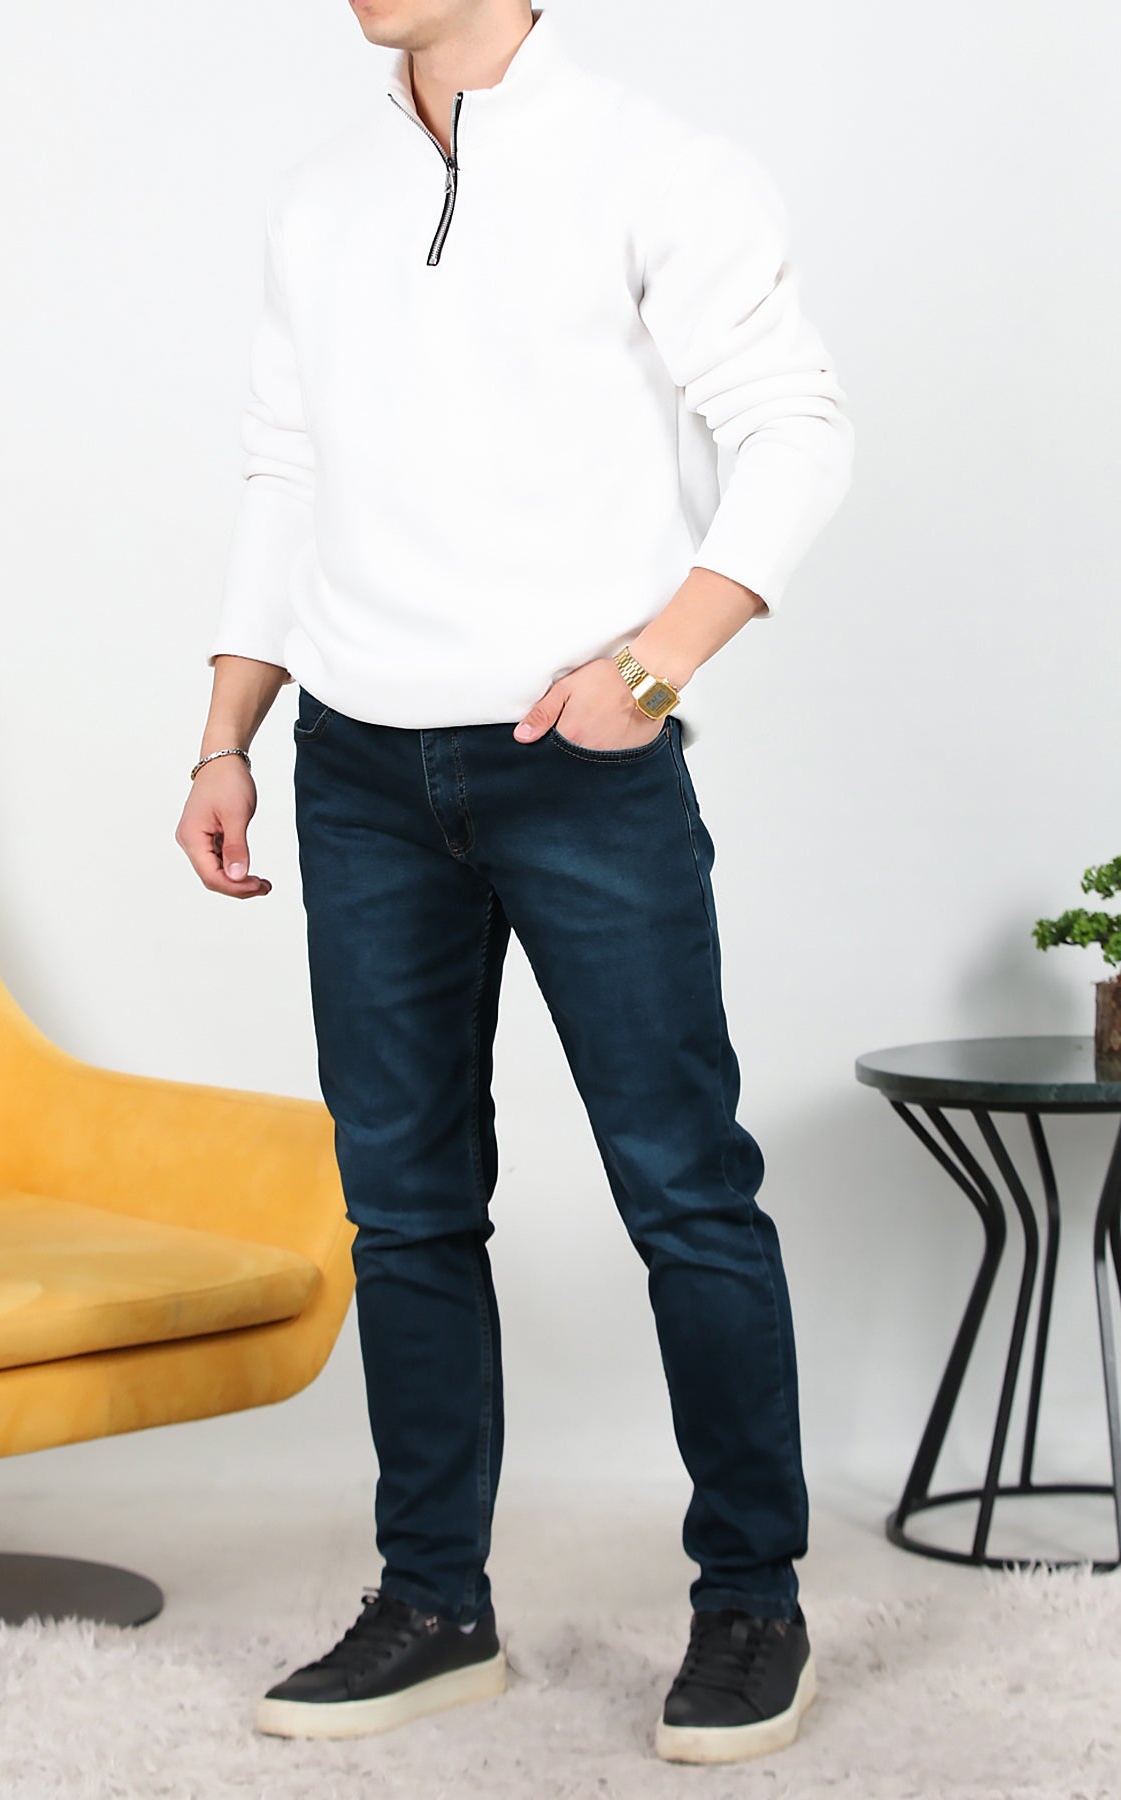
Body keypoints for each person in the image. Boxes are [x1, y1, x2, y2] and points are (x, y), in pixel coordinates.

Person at [175, 0, 853, 1767]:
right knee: (403, 1211)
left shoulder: (658, 163)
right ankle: (434, 1606)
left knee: (684, 1190)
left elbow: (795, 428)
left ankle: (753, 1600)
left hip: (580, 766)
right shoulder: (322, 197)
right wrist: (229, 731)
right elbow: (285, 468)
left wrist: (654, 665)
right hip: (357, 769)